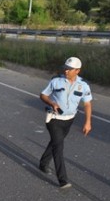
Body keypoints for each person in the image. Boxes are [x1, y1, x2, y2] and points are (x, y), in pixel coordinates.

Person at [38, 57, 92, 189]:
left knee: (55, 143)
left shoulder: (83, 85)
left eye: (69, 69)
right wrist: (51, 102)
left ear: (77, 70)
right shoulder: (56, 81)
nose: (66, 71)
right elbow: (43, 95)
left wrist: (88, 122)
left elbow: (87, 104)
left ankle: (43, 163)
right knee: (59, 147)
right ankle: (63, 180)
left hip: (69, 120)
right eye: (65, 68)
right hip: (54, 119)